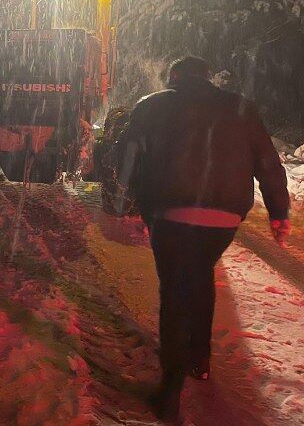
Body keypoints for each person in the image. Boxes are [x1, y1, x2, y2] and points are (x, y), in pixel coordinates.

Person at [114, 56, 290, 421]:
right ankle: (201, 359)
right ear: (209, 78)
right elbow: (268, 163)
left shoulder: (152, 106)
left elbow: (126, 156)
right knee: (200, 273)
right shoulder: (240, 108)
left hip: (170, 213)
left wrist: (124, 199)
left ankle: (170, 387)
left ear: (173, 77)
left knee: (174, 289)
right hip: (222, 217)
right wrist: (279, 213)